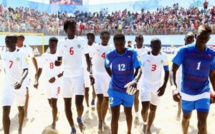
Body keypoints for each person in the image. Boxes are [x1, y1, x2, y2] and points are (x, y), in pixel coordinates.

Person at [171, 24, 215, 134]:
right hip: (187, 92)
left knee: (202, 123)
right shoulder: (184, 51)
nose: (202, 39)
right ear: (196, 35)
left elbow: (213, 74)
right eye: (200, 36)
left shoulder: (212, 54)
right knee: (186, 118)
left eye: (205, 38)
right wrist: (174, 88)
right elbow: (172, 70)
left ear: (209, 39)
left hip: (203, 92)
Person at [54, 19, 92, 134]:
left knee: (79, 104)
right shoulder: (61, 43)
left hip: (79, 76)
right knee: (67, 104)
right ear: (66, 29)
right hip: (66, 77)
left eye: (75, 27)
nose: (74, 29)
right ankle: (72, 128)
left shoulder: (81, 41)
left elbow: (87, 57)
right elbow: (59, 60)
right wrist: (58, 63)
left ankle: (79, 118)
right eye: (71, 27)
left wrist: (89, 70)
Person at [105, 33, 142, 134]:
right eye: (117, 44)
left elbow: (139, 69)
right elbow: (107, 66)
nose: (119, 47)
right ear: (114, 44)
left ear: (125, 43)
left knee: (128, 114)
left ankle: (129, 132)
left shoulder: (132, 53)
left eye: (121, 44)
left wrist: (135, 81)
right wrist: (113, 76)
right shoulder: (110, 54)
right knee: (115, 115)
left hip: (129, 89)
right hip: (114, 89)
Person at [140, 38, 169, 134]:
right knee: (144, 109)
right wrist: (135, 81)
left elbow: (167, 71)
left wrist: (164, 86)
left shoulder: (164, 56)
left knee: (153, 109)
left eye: (159, 46)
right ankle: (144, 123)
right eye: (155, 46)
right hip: (145, 85)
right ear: (151, 46)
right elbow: (138, 70)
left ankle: (148, 129)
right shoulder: (144, 56)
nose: (157, 48)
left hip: (157, 86)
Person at [1, 35, 29, 134]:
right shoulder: (3, 52)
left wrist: (21, 81)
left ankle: (20, 128)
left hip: (19, 86)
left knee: (20, 108)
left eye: (9, 40)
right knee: (5, 111)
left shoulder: (22, 53)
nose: (6, 41)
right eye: (5, 39)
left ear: (15, 42)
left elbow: (26, 70)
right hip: (7, 86)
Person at [34, 37, 63, 129]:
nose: (51, 46)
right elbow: (40, 69)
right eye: (50, 44)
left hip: (57, 81)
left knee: (54, 102)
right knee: (49, 101)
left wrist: (55, 77)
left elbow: (65, 71)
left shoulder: (60, 56)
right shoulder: (44, 56)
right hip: (47, 82)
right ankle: (56, 113)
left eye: (53, 45)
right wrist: (36, 80)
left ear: (56, 45)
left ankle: (54, 123)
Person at [88, 30, 113, 132]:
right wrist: (90, 72)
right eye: (104, 36)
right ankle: (99, 122)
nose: (105, 38)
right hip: (97, 75)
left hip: (108, 76)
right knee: (100, 98)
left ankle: (103, 120)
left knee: (106, 100)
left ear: (109, 37)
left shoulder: (112, 47)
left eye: (107, 36)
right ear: (101, 37)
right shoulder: (95, 47)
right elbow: (89, 59)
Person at [170, 32, 195, 120]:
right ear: (184, 39)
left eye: (192, 38)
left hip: (191, 79)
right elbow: (173, 67)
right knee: (180, 97)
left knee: (189, 98)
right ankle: (179, 110)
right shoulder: (179, 50)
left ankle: (186, 114)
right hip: (180, 77)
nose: (190, 40)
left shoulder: (195, 51)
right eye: (188, 38)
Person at [16, 35, 38, 120]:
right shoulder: (13, 48)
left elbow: (33, 59)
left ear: (23, 40)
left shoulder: (27, 48)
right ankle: (20, 109)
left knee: (26, 92)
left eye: (20, 40)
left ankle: (26, 112)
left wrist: (36, 71)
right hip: (15, 74)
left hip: (25, 74)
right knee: (18, 93)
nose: (18, 41)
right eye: (17, 40)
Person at [133, 35, 150, 125]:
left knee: (146, 98)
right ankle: (136, 114)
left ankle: (146, 115)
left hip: (146, 78)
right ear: (135, 40)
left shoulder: (147, 50)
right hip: (135, 76)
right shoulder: (133, 50)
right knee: (136, 96)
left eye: (141, 39)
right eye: (138, 39)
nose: (140, 41)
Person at [84, 33, 96, 114]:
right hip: (86, 69)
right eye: (91, 37)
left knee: (95, 88)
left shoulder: (96, 46)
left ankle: (93, 100)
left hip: (94, 69)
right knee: (86, 89)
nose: (93, 38)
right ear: (88, 38)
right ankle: (87, 106)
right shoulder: (84, 46)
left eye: (93, 37)